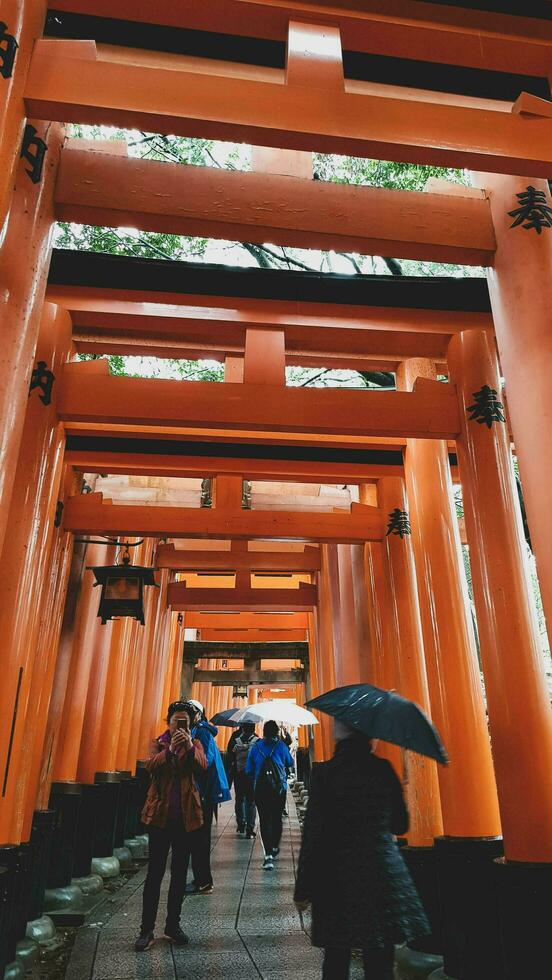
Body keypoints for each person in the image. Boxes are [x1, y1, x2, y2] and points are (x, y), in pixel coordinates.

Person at [293, 721, 429, 980]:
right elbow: (401, 825)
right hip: (380, 872)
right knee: (379, 956)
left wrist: (304, 889)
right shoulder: (383, 770)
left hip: (336, 876)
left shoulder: (326, 774)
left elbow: (313, 837)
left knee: (336, 956)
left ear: (338, 738)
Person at [135, 700, 206, 952]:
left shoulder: (194, 744)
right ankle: (146, 929)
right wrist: (169, 752)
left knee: (178, 875)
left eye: (184, 721)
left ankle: (172, 925)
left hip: (185, 819)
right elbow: (149, 765)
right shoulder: (158, 743)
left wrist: (187, 747)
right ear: (169, 722)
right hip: (159, 818)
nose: (179, 724)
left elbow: (202, 766)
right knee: (154, 874)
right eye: (176, 720)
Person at [187, 699, 231, 895]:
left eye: (190, 712)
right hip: (200, 790)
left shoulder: (202, 732)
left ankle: (204, 881)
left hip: (203, 791)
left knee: (200, 837)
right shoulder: (196, 730)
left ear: (198, 714)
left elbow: (205, 760)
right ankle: (200, 879)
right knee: (197, 837)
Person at [246, 720, 294, 870]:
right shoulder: (281, 746)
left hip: (261, 789)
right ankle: (274, 846)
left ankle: (268, 856)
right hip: (279, 789)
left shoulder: (256, 747)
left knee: (265, 820)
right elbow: (290, 763)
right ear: (276, 732)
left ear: (264, 731)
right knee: (276, 818)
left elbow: (248, 769)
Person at [231, 721, 258, 837]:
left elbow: (230, 755)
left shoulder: (235, 740)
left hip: (239, 774)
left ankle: (240, 824)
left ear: (242, 728)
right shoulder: (257, 741)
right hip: (251, 775)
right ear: (253, 729)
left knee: (239, 799)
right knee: (251, 801)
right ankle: (250, 828)